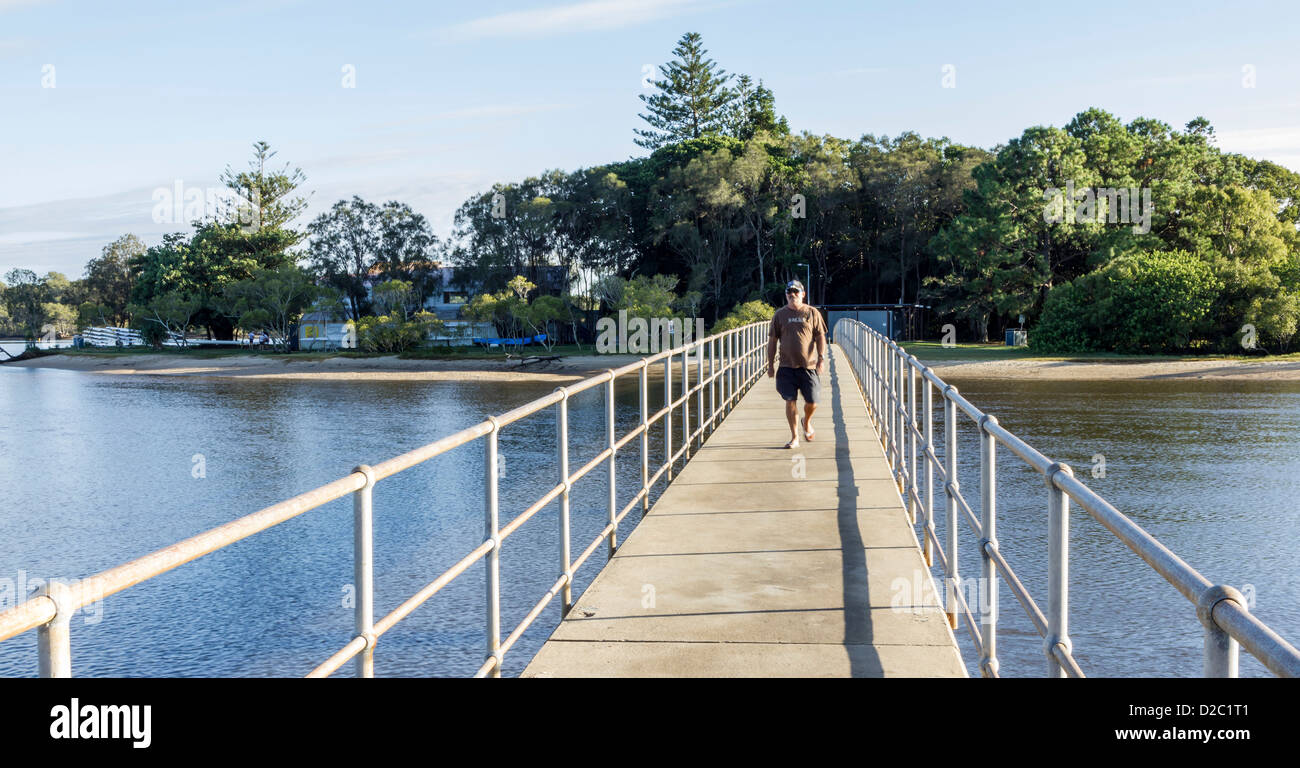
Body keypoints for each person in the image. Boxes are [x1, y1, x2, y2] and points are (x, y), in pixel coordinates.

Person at [766, 280, 827, 449]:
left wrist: (821, 358)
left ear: (803, 294)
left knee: (812, 402)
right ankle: (794, 437)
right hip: (786, 367)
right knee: (789, 400)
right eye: (789, 292)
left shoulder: (812, 313)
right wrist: (770, 364)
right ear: (786, 295)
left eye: (796, 292)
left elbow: (821, 336)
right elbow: (772, 341)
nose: (792, 295)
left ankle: (806, 422)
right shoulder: (779, 315)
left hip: (808, 366)